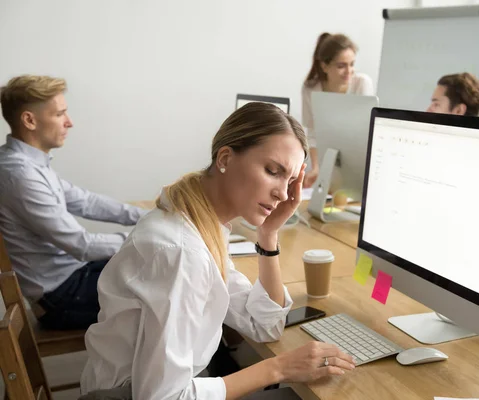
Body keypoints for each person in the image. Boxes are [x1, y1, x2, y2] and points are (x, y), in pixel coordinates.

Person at [80, 102, 355, 400]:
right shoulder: (183, 251)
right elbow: (161, 397)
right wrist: (277, 369)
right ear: (225, 157)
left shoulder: (200, 222)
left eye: (290, 181)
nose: (284, 193)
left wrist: (268, 234)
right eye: (272, 171)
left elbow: (264, 324)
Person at [0, 75, 147, 330]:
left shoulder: (29, 164)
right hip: (62, 297)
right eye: (60, 114)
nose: (70, 122)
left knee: (163, 269)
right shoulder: (19, 174)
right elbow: (81, 245)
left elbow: (86, 202)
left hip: (73, 277)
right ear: (29, 120)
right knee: (171, 285)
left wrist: (149, 216)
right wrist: (150, 237)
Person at [302, 33, 374, 187]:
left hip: (358, 160)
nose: (349, 71)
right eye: (341, 66)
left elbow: (364, 135)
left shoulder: (361, 84)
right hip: (327, 161)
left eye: (352, 64)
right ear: (324, 66)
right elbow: (313, 134)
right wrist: (317, 168)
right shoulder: (310, 89)